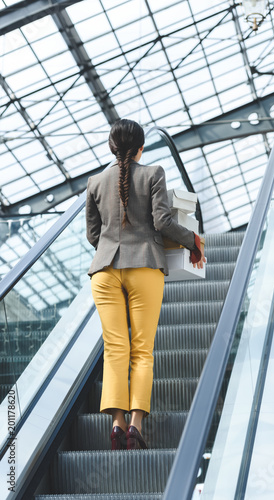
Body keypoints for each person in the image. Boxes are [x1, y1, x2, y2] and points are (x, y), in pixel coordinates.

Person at [86, 118, 206, 450]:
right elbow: (162, 221)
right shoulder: (153, 173)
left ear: (112, 148)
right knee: (142, 349)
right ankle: (136, 423)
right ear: (141, 148)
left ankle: (116, 422)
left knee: (115, 349)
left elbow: (93, 236)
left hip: (104, 271)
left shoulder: (95, 182)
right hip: (144, 267)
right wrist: (193, 241)